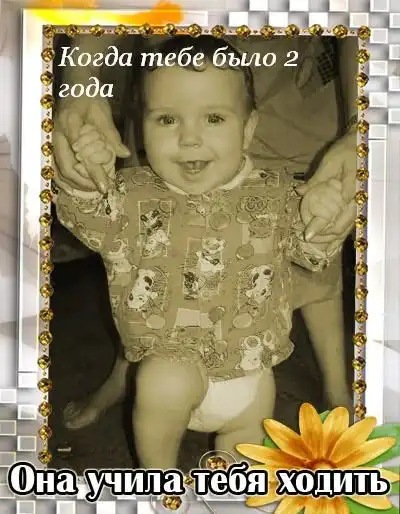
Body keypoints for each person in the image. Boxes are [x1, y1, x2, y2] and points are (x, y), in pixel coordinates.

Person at [54, 35, 353, 469]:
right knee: (164, 380)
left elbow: (312, 254)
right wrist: (84, 177)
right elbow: (87, 217)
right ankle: (159, 478)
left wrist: (322, 216)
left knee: (241, 463)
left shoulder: (279, 195)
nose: (189, 138)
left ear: (248, 129)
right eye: (167, 119)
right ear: (140, 126)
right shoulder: (130, 195)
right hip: (168, 375)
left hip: (251, 383)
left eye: (213, 118)